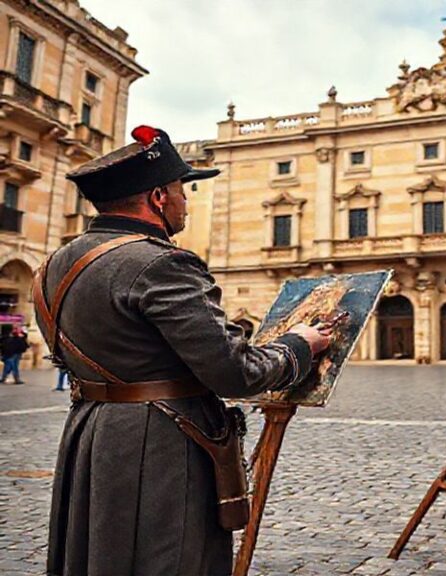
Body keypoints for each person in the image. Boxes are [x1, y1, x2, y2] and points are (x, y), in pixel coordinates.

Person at [34, 125, 333, 576]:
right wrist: (299, 346)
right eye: (181, 190)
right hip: (160, 439)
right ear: (158, 197)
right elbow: (234, 372)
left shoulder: (54, 264)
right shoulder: (163, 263)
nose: (185, 202)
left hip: (90, 432)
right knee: (170, 557)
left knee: (99, 554)